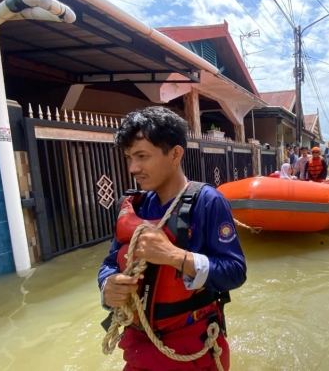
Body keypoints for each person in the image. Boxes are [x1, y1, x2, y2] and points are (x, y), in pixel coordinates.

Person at [98, 106, 247, 371]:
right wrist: (107, 285)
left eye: (142, 156)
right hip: (138, 349)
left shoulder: (208, 202)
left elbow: (235, 272)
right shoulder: (134, 205)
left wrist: (174, 256)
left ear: (176, 153)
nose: (133, 167)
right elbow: (111, 261)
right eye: (129, 157)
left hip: (194, 351)